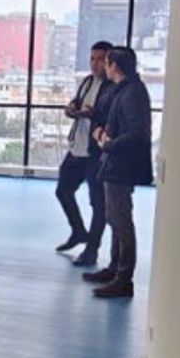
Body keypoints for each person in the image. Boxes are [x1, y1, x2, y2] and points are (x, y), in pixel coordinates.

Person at [83, 46, 153, 298]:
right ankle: (115, 270)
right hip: (115, 164)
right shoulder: (125, 89)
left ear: (114, 66)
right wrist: (104, 133)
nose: (104, 67)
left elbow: (137, 133)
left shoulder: (132, 92)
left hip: (121, 166)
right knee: (115, 219)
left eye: (106, 63)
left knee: (121, 222)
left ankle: (123, 279)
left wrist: (107, 143)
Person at [55, 41, 116, 266]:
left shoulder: (113, 87)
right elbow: (77, 103)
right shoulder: (87, 81)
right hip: (77, 148)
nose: (95, 63)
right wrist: (72, 109)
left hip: (95, 152)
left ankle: (91, 251)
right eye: (92, 58)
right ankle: (79, 231)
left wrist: (93, 114)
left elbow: (111, 118)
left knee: (98, 203)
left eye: (100, 59)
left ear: (109, 61)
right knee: (63, 191)